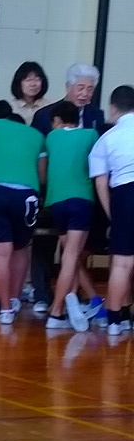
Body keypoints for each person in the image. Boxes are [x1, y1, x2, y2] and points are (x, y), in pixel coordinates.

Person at [29, 64, 105, 312]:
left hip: (84, 191)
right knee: (45, 245)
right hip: (51, 190)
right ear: (68, 87)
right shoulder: (47, 114)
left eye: (90, 89)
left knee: (76, 248)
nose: (85, 93)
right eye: (80, 87)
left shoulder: (96, 116)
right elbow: (39, 153)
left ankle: (73, 295)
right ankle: (43, 294)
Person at [0, 100, 47, 324]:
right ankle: (16, 299)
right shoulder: (38, 136)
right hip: (26, 195)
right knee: (21, 250)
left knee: (1, 253)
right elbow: (42, 176)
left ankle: (5, 308)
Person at [42, 99, 99, 334]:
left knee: (69, 256)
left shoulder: (51, 138)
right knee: (71, 257)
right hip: (81, 200)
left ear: (56, 120)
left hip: (56, 202)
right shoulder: (90, 135)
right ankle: (56, 312)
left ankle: (73, 301)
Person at [88, 85, 134, 338]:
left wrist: (111, 214)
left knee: (122, 263)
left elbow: (100, 182)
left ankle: (116, 320)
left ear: (113, 108)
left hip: (124, 195)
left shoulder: (107, 138)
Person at [9, 61, 50, 125]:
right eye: (28, 80)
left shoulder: (48, 107)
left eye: (37, 79)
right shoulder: (11, 108)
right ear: (18, 83)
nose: (33, 84)